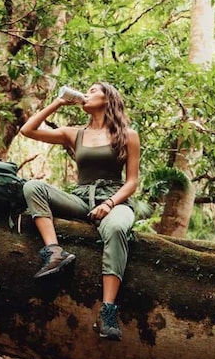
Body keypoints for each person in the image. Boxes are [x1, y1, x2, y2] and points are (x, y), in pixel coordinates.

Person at [18, 81, 140, 340]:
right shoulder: (75, 133)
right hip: (82, 198)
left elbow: (132, 182)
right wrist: (59, 101)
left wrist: (109, 205)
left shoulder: (128, 135)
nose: (87, 93)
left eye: (94, 90)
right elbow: (27, 130)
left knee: (117, 228)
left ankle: (107, 311)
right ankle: (54, 252)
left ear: (108, 99)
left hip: (114, 200)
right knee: (33, 187)